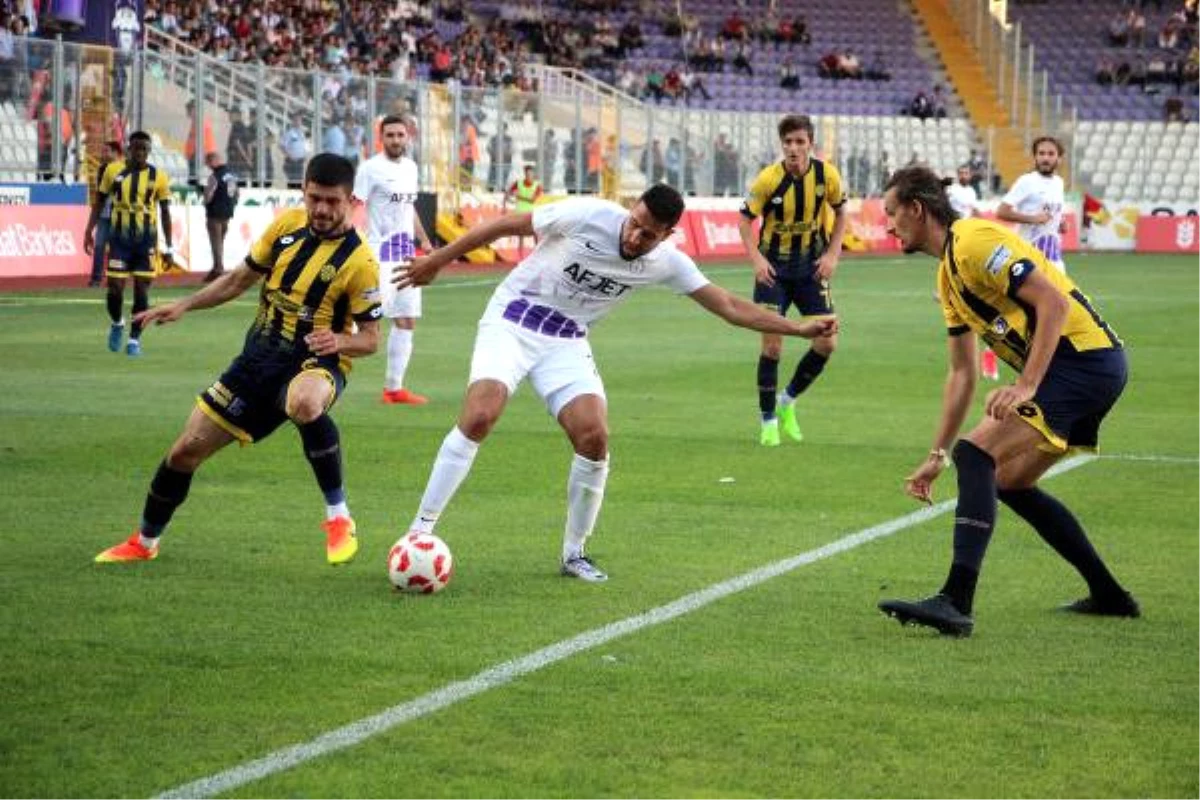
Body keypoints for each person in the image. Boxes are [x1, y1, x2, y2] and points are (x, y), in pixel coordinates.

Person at [393, 185, 837, 582]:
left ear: (666, 237)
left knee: (594, 436)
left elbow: (727, 305)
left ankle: (574, 554)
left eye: (646, 234)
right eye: (633, 223)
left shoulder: (665, 262)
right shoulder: (588, 214)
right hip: (512, 319)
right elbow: (507, 224)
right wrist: (437, 260)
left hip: (566, 341)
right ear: (630, 210)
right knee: (480, 416)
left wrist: (797, 329)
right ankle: (418, 534)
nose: (633, 236)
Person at [876, 166, 1138, 637]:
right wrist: (936, 455)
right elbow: (962, 374)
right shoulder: (947, 276)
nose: (888, 225)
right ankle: (1110, 595)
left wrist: (1027, 385)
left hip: (1084, 362)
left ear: (917, 209)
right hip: (1082, 368)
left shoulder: (974, 240)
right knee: (1010, 482)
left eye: (892, 214)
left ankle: (955, 601)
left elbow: (1053, 303)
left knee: (977, 455)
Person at [93, 153, 382, 566]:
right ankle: (144, 542)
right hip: (256, 361)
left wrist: (338, 341)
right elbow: (238, 281)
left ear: (350, 201)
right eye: (314, 198)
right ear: (304, 190)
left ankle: (338, 517)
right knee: (183, 452)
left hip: (314, 362)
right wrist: (186, 305)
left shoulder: (361, 263)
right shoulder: (286, 227)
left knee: (304, 402)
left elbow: (370, 340)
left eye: (332, 201)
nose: (321, 209)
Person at [738, 114, 846, 447]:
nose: (793, 148)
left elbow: (841, 211)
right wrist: (756, 259)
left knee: (827, 342)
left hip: (811, 268)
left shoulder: (826, 175)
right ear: (781, 145)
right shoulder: (768, 180)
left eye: (800, 142)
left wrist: (832, 254)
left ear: (810, 144)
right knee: (772, 346)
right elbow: (744, 220)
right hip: (774, 272)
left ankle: (788, 400)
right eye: (788, 142)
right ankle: (768, 419)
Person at [352, 115, 434, 406]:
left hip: (405, 253)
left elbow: (408, 207)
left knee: (407, 319)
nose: (396, 140)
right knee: (361, 321)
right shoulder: (370, 169)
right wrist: (351, 243)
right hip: (378, 254)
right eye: (390, 135)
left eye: (400, 135)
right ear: (381, 137)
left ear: (408, 136)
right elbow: (357, 206)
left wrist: (424, 240)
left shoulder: (411, 168)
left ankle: (394, 389)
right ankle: (315, 373)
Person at [84, 131, 175, 358]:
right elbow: (99, 202)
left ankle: (134, 340)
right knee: (114, 288)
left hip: (146, 241)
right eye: (136, 148)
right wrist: (89, 230)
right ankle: (117, 322)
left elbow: (165, 212)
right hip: (120, 239)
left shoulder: (159, 177)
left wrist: (170, 247)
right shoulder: (113, 171)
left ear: (149, 151)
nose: (140, 153)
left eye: (145, 149)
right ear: (129, 149)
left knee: (141, 291)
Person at [944, 164, 999, 382]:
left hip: (970, 240)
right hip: (956, 236)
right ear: (958, 175)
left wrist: (984, 224)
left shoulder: (970, 191)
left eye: (967, 173)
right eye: (962, 173)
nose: (965, 176)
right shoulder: (954, 191)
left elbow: (974, 209)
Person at [996, 136, 1067, 272]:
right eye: (1041, 153)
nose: (1045, 158)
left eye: (1051, 154)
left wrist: (1061, 223)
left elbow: (1054, 213)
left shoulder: (1059, 183)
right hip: (1029, 255)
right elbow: (1002, 211)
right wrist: (1033, 219)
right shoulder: (1027, 181)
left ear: (1059, 158)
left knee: (1063, 293)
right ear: (1035, 157)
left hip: (1053, 255)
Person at [87, 140, 123, 287]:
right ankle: (96, 279)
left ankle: (113, 278)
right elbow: (101, 194)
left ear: (116, 153)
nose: (103, 154)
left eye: (106, 151)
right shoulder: (103, 169)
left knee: (116, 248)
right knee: (99, 245)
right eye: (103, 151)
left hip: (118, 214)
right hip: (104, 213)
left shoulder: (124, 168)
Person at [202, 151, 239, 283]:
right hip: (227, 212)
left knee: (215, 241)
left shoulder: (215, 176)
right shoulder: (232, 175)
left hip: (215, 212)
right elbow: (236, 194)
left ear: (213, 160)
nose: (207, 166)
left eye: (208, 162)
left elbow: (208, 195)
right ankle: (217, 266)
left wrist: (205, 200)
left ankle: (218, 268)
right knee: (220, 240)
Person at [503, 164, 543, 256]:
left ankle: (537, 254)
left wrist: (519, 197)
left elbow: (532, 200)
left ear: (533, 174)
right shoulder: (518, 183)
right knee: (521, 234)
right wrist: (505, 204)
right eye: (527, 173)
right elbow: (508, 193)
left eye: (530, 173)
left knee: (534, 233)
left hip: (531, 212)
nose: (529, 175)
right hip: (520, 211)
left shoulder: (537, 185)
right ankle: (520, 255)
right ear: (525, 173)